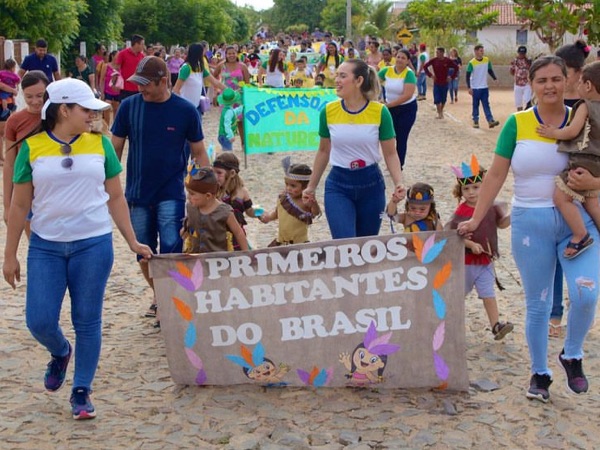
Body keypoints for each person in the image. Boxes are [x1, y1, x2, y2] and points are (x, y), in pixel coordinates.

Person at [2, 77, 152, 420]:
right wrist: (9, 254)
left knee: (87, 320)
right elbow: (19, 204)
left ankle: (81, 390)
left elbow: (115, 197)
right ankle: (60, 351)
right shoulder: (32, 148)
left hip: (93, 244)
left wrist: (131, 240)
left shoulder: (99, 145)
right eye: (85, 109)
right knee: (39, 320)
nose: (92, 115)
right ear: (64, 109)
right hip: (46, 246)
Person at [458, 56, 600, 402]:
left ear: (568, 80)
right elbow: (495, 174)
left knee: (586, 293)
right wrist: (476, 219)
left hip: (579, 222)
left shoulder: (585, 118)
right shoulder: (517, 124)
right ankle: (540, 372)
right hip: (530, 224)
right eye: (542, 80)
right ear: (532, 84)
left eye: (556, 79)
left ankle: (572, 354)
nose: (550, 86)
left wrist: (596, 180)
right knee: (538, 303)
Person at [111, 56, 209, 322]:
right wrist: (107, 184)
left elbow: (199, 151)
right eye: (138, 83)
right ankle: (161, 295)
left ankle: (168, 301)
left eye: (146, 84)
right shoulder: (129, 108)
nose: (140, 88)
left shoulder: (185, 111)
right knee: (143, 253)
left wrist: (209, 188)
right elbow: (115, 149)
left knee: (171, 249)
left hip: (172, 191)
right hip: (137, 193)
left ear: (163, 81)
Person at [302, 59, 405, 239]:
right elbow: (324, 151)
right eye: (337, 76)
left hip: (371, 185)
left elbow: (390, 153)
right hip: (338, 185)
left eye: (343, 76)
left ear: (358, 81)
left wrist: (399, 182)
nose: (337, 80)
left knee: (365, 248)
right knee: (344, 245)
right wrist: (311, 186)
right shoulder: (328, 111)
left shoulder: (380, 112)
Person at [549, 39, 592, 337]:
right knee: (556, 257)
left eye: (562, 74)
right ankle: (555, 314)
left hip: (586, 193)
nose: (556, 82)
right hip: (556, 195)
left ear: (578, 73)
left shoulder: (588, 108)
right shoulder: (546, 107)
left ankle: (579, 310)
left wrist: (593, 183)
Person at [536, 61, 600, 259]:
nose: (578, 87)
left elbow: (572, 131)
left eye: (581, 83)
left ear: (588, 86)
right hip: (597, 164)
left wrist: (553, 132)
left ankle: (580, 234)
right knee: (591, 201)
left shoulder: (585, 106)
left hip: (582, 161)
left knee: (561, 198)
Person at [446, 155, 513, 340]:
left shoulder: (492, 207)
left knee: (488, 294)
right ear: (460, 191)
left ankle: (496, 326)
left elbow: (501, 224)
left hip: (485, 261)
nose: (471, 192)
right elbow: (452, 235)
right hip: (465, 263)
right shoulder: (461, 212)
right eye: (466, 188)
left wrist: (515, 215)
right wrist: (470, 244)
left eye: (476, 187)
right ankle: (447, 324)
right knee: (457, 296)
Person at [3, 71, 49, 231]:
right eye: (29, 97)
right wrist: (7, 206)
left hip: (54, 190)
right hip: (27, 191)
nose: (35, 101)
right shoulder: (15, 121)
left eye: (40, 95)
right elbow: (10, 164)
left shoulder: (58, 117)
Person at [181, 165, 248, 253]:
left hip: (218, 261)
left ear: (208, 196)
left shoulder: (225, 212)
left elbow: (238, 233)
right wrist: (185, 230)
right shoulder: (190, 207)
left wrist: (247, 254)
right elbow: (189, 226)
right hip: (195, 259)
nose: (188, 197)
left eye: (192, 194)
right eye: (188, 192)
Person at [259, 157, 321, 246]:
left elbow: (315, 213)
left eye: (293, 186)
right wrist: (268, 217)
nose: (288, 188)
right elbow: (277, 213)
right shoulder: (283, 198)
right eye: (286, 184)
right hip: (281, 242)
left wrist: (313, 203)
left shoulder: (305, 202)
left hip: (299, 245)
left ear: (305, 186)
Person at [378, 48, 417, 169]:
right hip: (390, 109)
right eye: (398, 57)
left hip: (406, 109)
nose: (400, 60)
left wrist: (388, 105)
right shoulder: (386, 71)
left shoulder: (409, 74)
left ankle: (398, 164)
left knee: (401, 137)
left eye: (403, 58)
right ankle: (389, 161)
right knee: (388, 136)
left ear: (407, 61)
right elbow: (374, 82)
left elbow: (407, 95)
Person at [212, 152, 259, 250]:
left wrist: (258, 213)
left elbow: (248, 210)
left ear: (232, 173)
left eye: (219, 173)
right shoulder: (214, 192)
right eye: (213, 172)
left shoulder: (242, 191)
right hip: (219, 238)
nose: (215, 176)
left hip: (238, 238)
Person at [173, 43, 226, 126]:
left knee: (197, 133)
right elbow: (176, 89)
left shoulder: (199, 67)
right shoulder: (186, 68)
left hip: (197, 106)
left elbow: (215, 82)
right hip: (185, 108)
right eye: (203, 51)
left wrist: (228, 89)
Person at [213, 45, 250, 148]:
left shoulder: (242, 66)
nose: (231, 55)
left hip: (239, 97)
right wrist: (216, 90)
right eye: (229, 53)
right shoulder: (221, 65)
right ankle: (227, 143)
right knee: (226, 120)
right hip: (226, 98)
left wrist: (246, 95)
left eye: (233, 53)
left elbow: (247, 82)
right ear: (226, 54)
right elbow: (214, 77)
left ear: (237, 53)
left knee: (240, 121)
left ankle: (243, 143)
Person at [466, 44, 500, 129]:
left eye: (483, 50)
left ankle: (490, 120)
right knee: (475, 104)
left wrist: (495, 78)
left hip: (484, 87)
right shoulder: (471, 63)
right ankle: (476, 120)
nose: (482, 52)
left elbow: (490, 70)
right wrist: (469, 87)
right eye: (481, 51)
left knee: (486, 104)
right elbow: (467, 75)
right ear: (476, 51)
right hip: (475, 87)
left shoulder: (486, 60)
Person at [423, 47, 459, 119]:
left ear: (442, 53)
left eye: (438, 52)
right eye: (436, 52)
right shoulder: (434, 60)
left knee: (443, 99)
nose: (437, 54)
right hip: (436, 82)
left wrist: (451, 77)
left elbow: (456, 67)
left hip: (445, 82)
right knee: (436, 98)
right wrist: (431, 75)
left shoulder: (447, 61)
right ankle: (439, 113)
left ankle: (441, 110)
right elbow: (425, 66)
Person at [114, 34, 146, 101]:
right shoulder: (123, 54)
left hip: (138, 88)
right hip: (125, 88)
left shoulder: (142, 56)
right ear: (137, 44)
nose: (144, 47)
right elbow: (116, 69)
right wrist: (115, 83)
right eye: (142, 44)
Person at [98, 50, 121, 125]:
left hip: (117, 90)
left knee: (116, 109)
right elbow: (102, 79)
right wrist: (102, 92)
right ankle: (107, 125)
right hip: (108, 90)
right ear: (113, 56)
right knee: (107, 108)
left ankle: (115, 126)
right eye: (117, 55)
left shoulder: (120, 66)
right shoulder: (106, 66)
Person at [510, 46, 532, 111]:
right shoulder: (514, 61)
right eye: (520, 53)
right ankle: (520, 115)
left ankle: (527, 114)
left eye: (523, 53)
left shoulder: (529, 61)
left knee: (528, 100)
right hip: (517, 84)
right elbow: (511, 71)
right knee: (518, 103)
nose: (521, 55)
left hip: (527, 84)